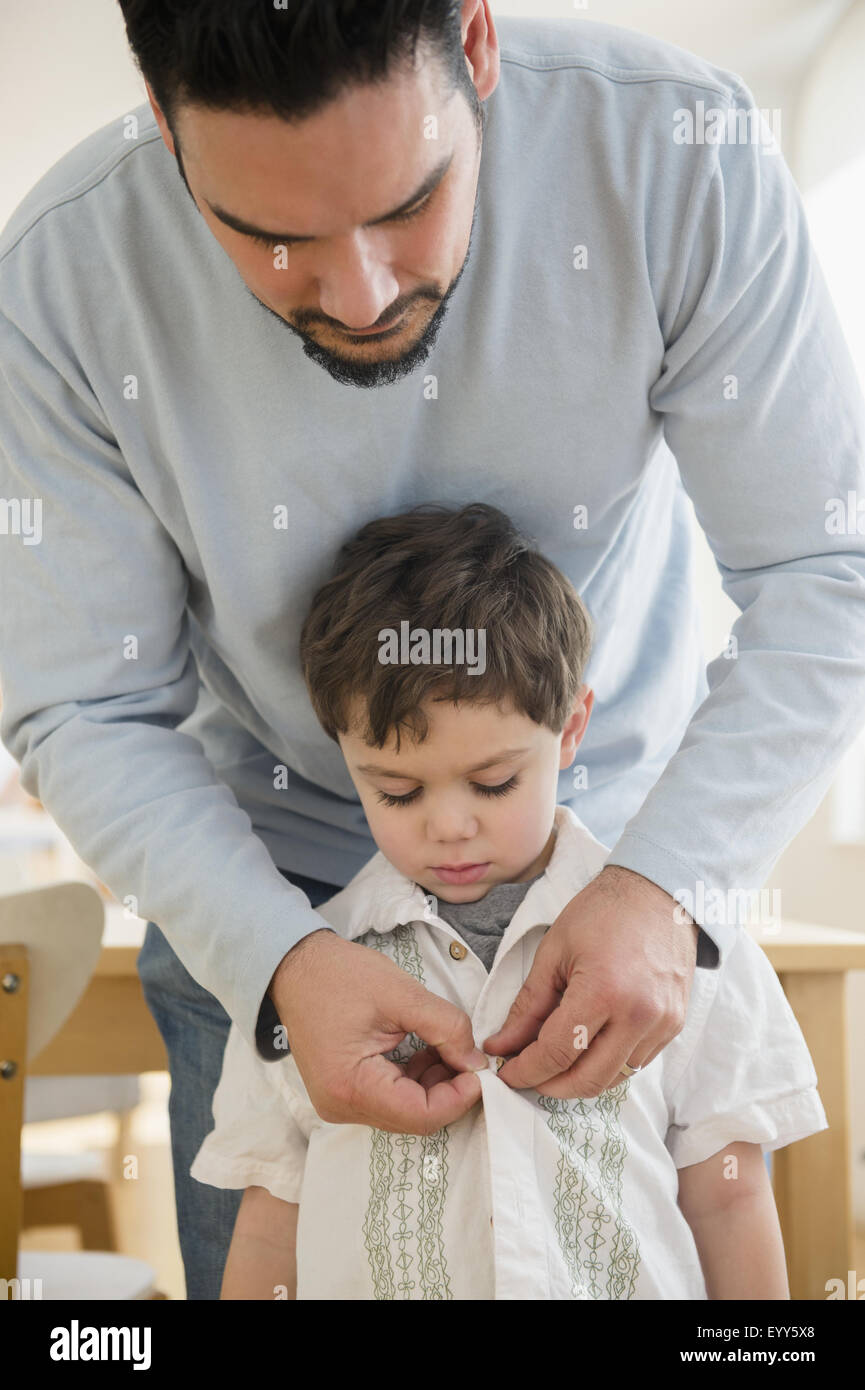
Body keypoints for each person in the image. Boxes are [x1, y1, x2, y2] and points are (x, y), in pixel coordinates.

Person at [0, 3, 862, 1300]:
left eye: (406, 203)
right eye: (273, 236)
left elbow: (823, 567)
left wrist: (664, 883)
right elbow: (85, 702)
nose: (359, 294)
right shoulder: (64, 281)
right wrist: (279, 963)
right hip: (261, 886)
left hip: (623, 857)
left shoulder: (677, 156)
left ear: (475, 46)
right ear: (164, 118)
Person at [190, 502, 827, 1300]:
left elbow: (729, 1193)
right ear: (342, 753)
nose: (450, 827)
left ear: (569, 729)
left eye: (494, 783)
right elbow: (267, 1215)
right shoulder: (304, 978)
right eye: (395, 790)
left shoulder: (682, 947)